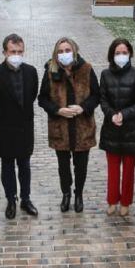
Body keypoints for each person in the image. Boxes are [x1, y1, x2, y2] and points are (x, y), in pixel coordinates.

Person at [38, 36, 100, 213]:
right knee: (63, 165)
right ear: (56, 54)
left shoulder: (86, 69)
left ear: (74, 51)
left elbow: (96, 95)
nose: (64, 54)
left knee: (81, 165)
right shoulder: (51, 71)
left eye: (67, 50)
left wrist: (83, 108)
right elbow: (42, 99)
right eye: (60, 51)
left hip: (82, 127)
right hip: (61, 128)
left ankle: (78, 193)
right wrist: (58, 110)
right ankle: (66, 193)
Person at [0, 34, 39, 219]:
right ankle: (11, 199)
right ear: (4, 52)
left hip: (25, 127)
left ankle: (26, 198)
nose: (16, 55)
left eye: (20, 51)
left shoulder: (31, 72)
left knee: (24, 165)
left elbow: (32, 95)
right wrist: (3, 116)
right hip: (5, 128)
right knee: (7, 166)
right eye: (13, 51)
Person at [98, 38, 135, 216]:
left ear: (130, 54)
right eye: (117, 53)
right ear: (112, 55)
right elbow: (102, 99)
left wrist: (124, 115)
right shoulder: (105, 74)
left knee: (128, 170)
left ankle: (126, 201)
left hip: (132, 129)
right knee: (112, 169)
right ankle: (112, 200)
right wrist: (112, 114)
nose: (121, 56)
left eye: (124, 53)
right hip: (112, 128)